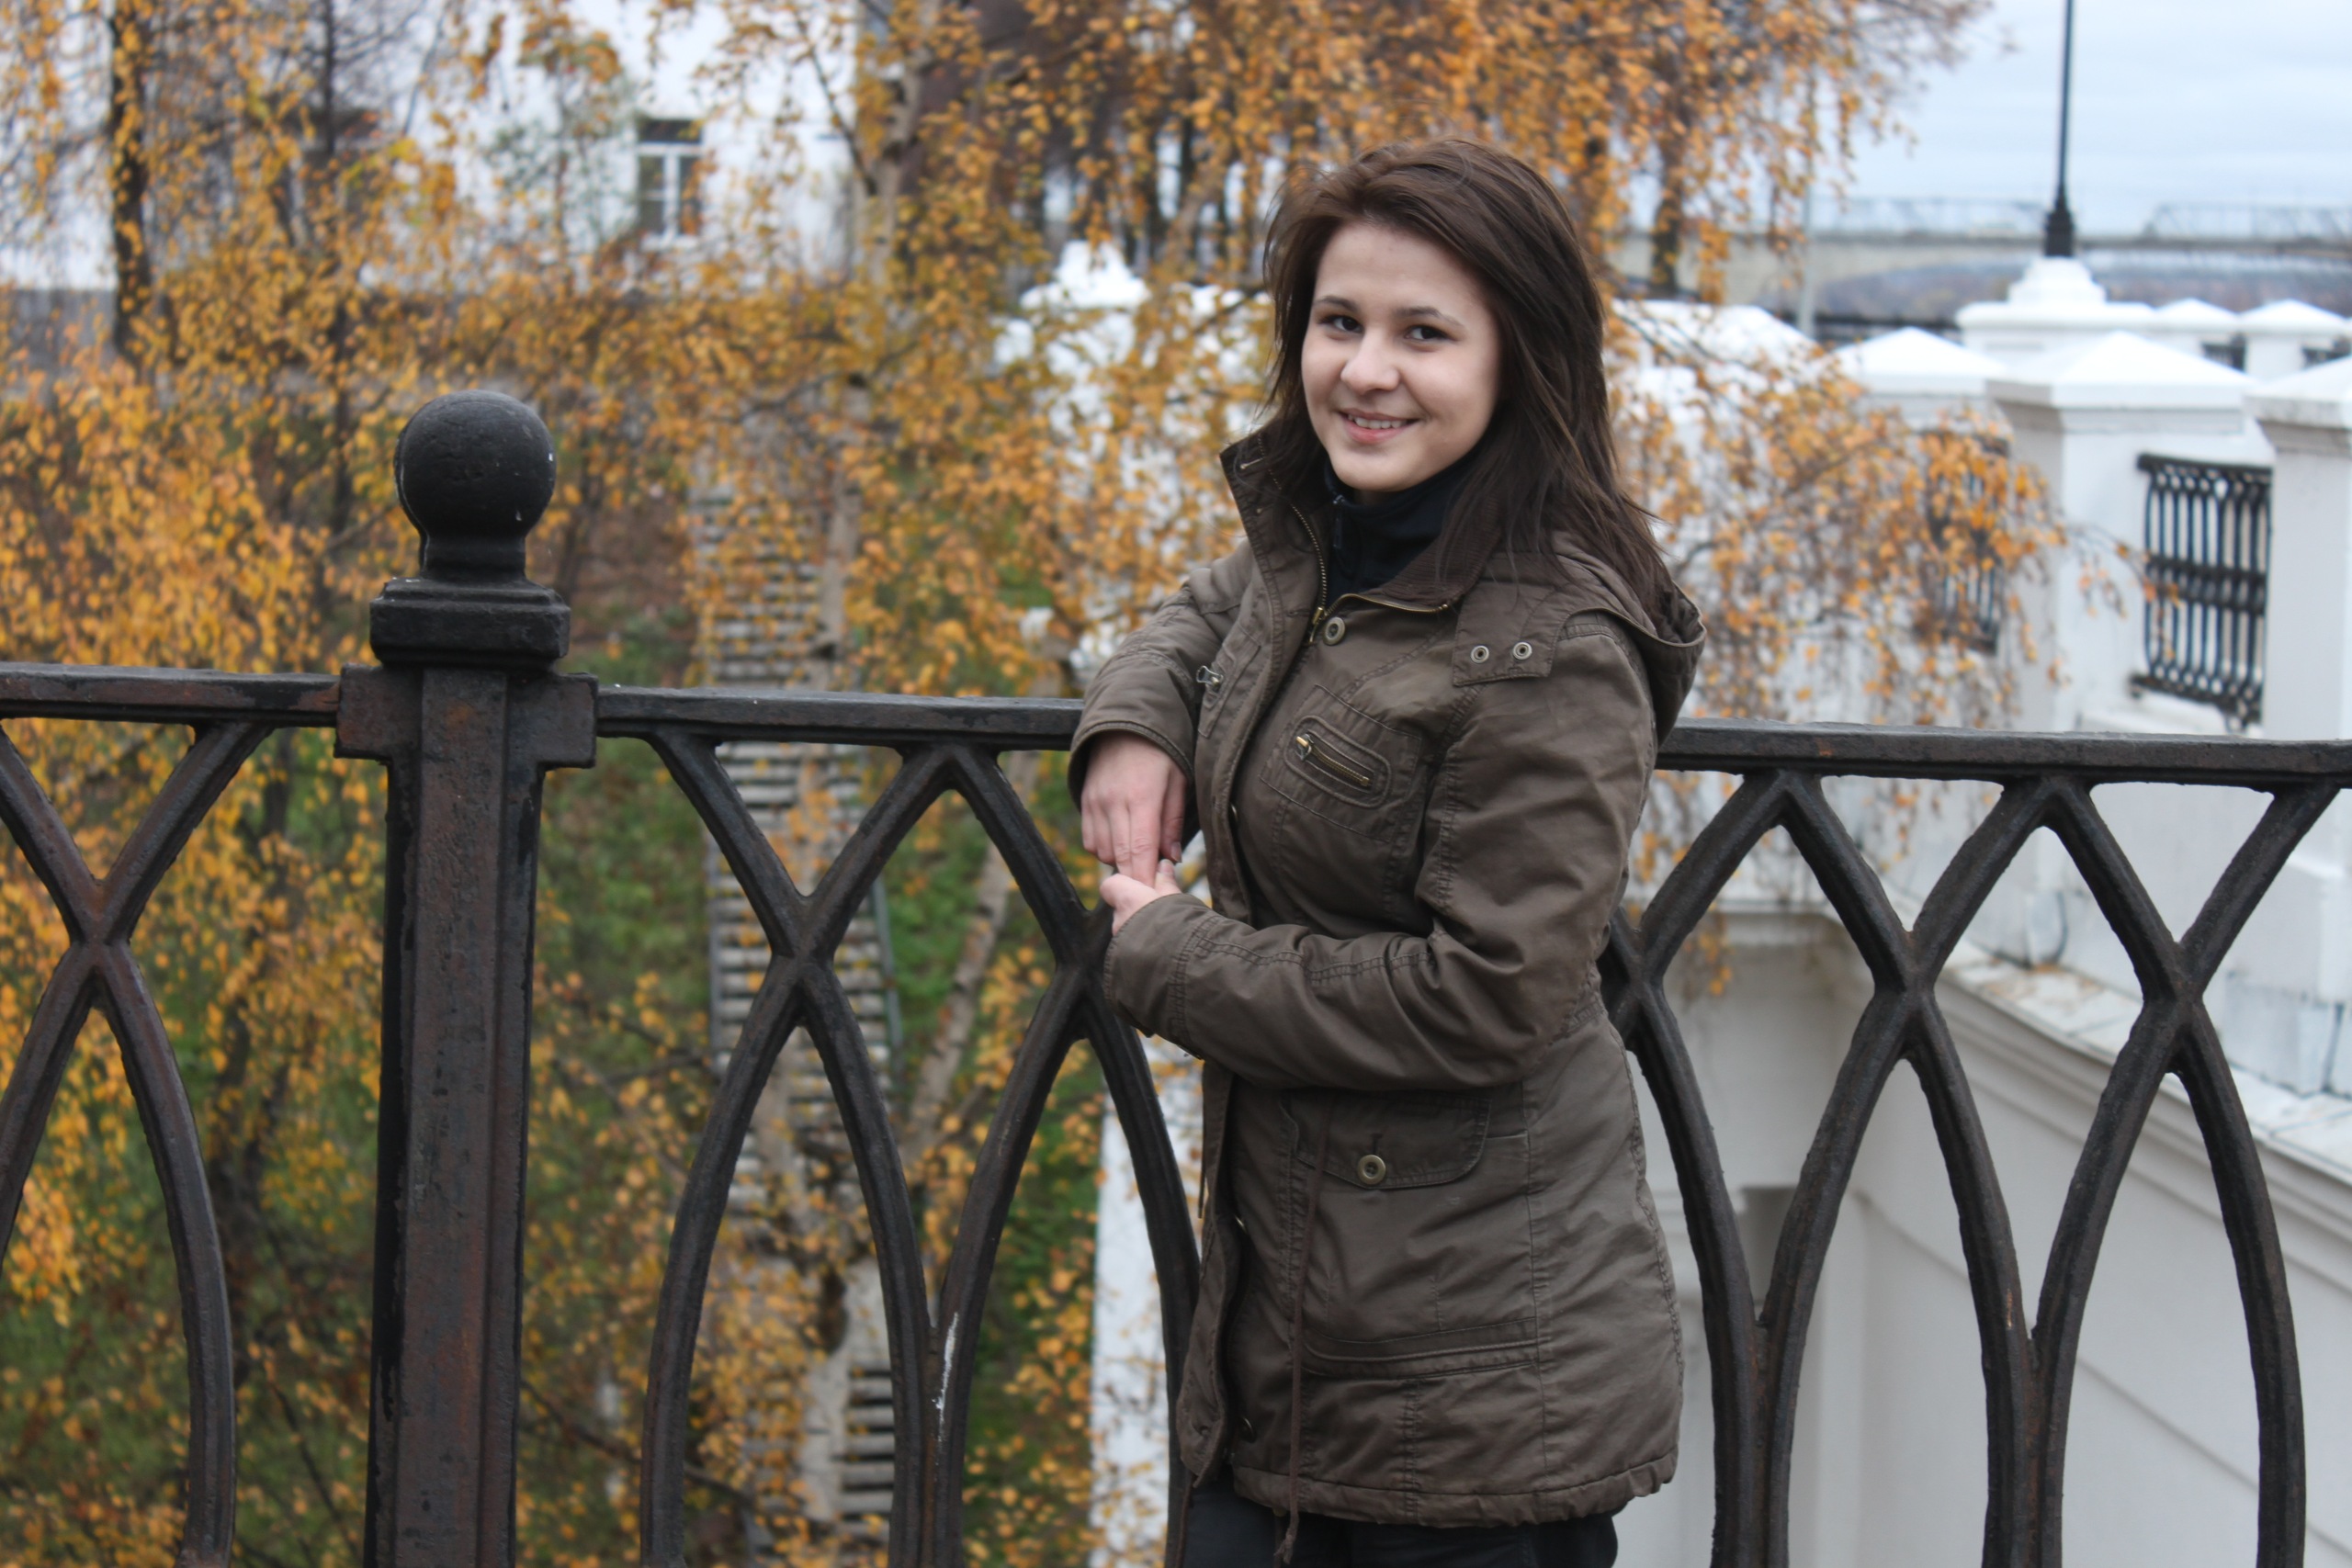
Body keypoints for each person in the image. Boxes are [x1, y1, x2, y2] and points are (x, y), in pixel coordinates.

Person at [1071, 139, 1704, 1567]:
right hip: (1306, 1351)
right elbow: (1207, 610)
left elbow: (1490, 994)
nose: (1366, 371)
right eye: (1339, 321)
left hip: (1469, 1391)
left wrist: (1175, 957)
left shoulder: (1550, 643)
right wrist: (1134, 727)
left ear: (1518, 358)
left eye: (1425, 334)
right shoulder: (1340, 537)